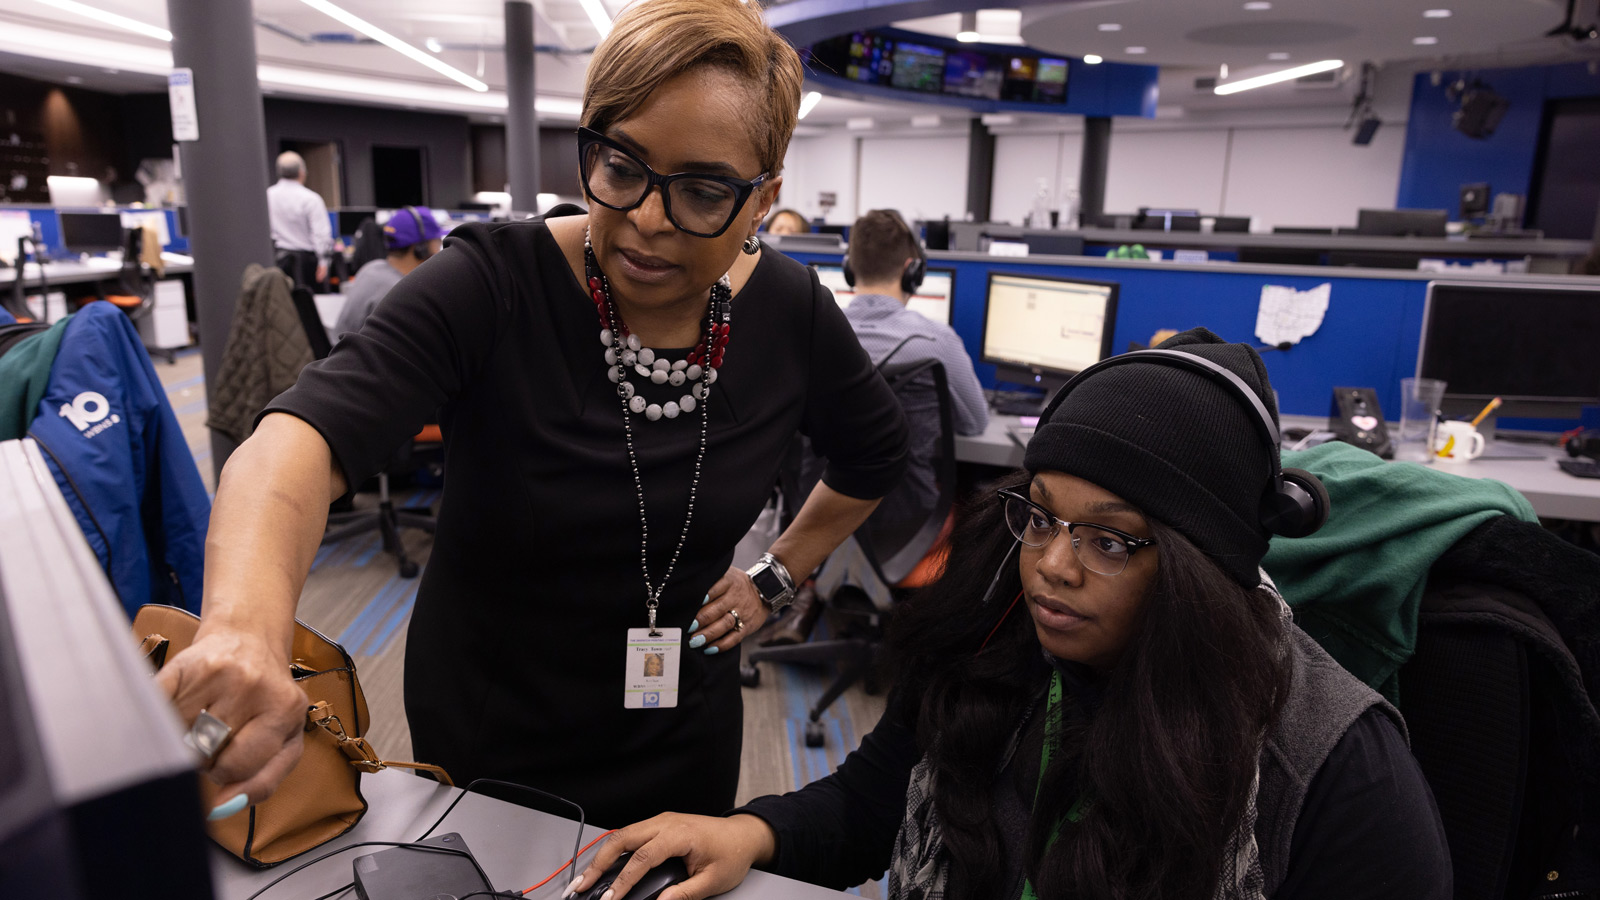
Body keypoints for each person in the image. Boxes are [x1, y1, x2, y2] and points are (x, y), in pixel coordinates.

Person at [154, 0, 907, 831]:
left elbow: (874, 451)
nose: (648, 221)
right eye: (621, 166)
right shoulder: (492, 284)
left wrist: (778, 571)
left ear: (763, 200)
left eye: (701, 191)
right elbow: (295, 442)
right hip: (489, 728)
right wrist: (246, 630)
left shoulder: (792, 313)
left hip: (682, 727)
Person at [568, 328, 1454, 900]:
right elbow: (874, 800)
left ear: (1203, 569)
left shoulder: (1333, 772)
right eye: (1041, 516)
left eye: (1112, 540)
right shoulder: (994, 635)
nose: (1052, 568)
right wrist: (752, 832)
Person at [763, 209, 989, 645]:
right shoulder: (936, 341)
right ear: (914, 270)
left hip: (818, 516)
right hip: (909, 524)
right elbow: (976, 423)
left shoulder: (809, 332)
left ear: (849, 268)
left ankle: (818, 598)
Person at [332, 206, 445, 341]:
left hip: (342, 357)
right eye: (438, 242)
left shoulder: (370, 268)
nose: (440, 250)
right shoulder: (402, 292)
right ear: (421, 248)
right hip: (364, 361)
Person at [267, 151, 333, 291]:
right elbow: (321, 234)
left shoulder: (267, 196)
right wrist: (323, 262)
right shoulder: (311, 199)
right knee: (308, 306)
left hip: (276, 262)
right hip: (306, 266)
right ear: (302, 172)